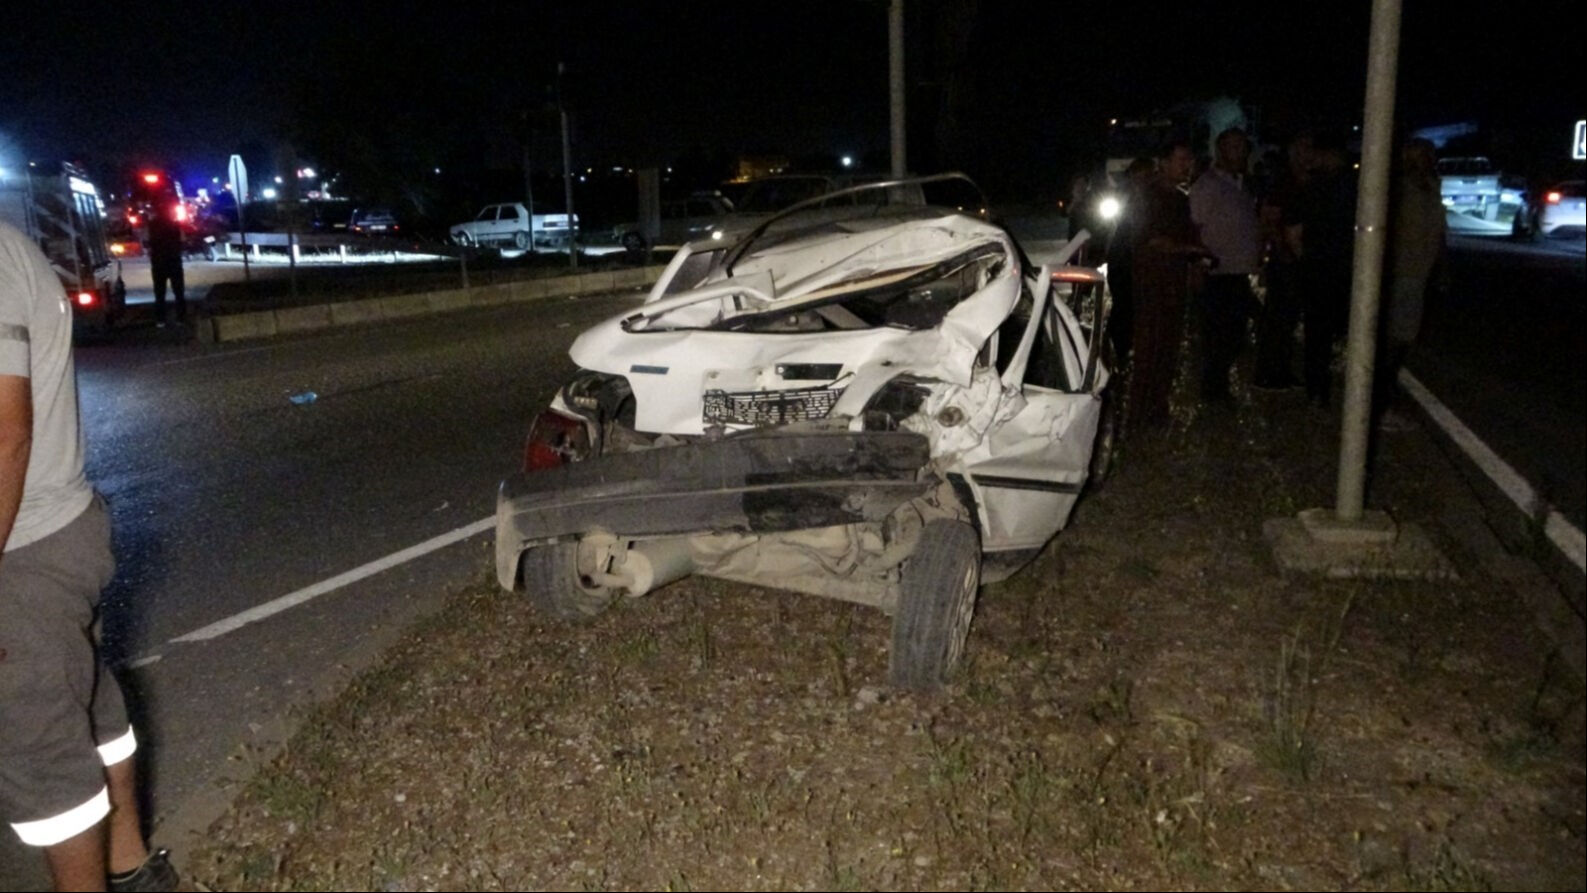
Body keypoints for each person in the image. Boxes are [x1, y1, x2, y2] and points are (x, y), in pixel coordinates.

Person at [1, 220, 185, 891]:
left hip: (19, 550)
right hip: (58, 528)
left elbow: (4, 435)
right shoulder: (10, 244)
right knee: (89, 707)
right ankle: (132, 867)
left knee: (40, 752)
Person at [1124, 142, 1207, 429]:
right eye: (1182, 159)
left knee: (1169, 346)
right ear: (1164, 162)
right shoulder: (1147, 196)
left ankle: (1157, 408)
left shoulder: (1180, 199)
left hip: (1173, 281)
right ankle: (1138, 412)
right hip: (1152, 281)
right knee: (1150, 345)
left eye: (1190, 159)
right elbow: (1151, 240)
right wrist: (1190, 251)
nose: (1187, 165)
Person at [1375, 137, 1446, 431]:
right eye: (1418, 157)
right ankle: (1380, 405)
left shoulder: (1431, 189)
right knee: (1392, 343)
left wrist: (1442, 266)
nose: (1425, 162)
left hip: (1419, 274)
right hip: (1400, 275)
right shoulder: (1399, 191)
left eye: (1428, 156)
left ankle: (1384, 398)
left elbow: (1439, 231)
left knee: (1403, 341)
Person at [1188, 128, 1263, 405]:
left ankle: (1217, 389)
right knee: (1219, 336)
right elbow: (1194, 227)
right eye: (1234, 148)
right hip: (1217, 274)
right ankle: (1213, 392)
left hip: (1236, 272)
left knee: (1234, 335)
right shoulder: (1207, 186)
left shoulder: (1241, 183)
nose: (1240, 153)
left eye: (1243, 147)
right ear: (1221, 151)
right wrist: (1197, 266)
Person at [1284, 130, 1358, 407]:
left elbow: (1293, 232)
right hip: (1343, 267)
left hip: (1320, 268)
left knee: (1318, 332)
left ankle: (1317, 387)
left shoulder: (1313, 187)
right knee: (1334, 328)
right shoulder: (1351, 186)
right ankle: (1326, 385)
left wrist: (1308, 259)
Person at [1252, 133, 1314, 390]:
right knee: (1279, 317)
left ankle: (1280, 369)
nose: (1307, 155)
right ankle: (1269, 372)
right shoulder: (1283, 182)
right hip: (1285, 259)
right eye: (1301, 150)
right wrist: (1280, 250)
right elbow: (1269, 219)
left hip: (1296, 256)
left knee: (1287, 318)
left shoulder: (1306, 181)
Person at [1103, 156, 1159, 369]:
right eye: (1140, 176)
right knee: (1124, 306)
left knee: (1131, 306)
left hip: (1132, 260)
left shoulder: (1148, 198)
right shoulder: (1128, 196)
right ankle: (1121, 351)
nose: (1143, 180)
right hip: (1124, 261)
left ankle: (1125, 350)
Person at [145, 203, 186, 327]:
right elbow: (183, 241)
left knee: (159, 293)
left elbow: (146, 243)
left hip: (158, 263)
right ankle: (181, 319)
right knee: (179, 292)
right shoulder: (175, 226)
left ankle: (160, 320)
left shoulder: (151, 226)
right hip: (174, 261)